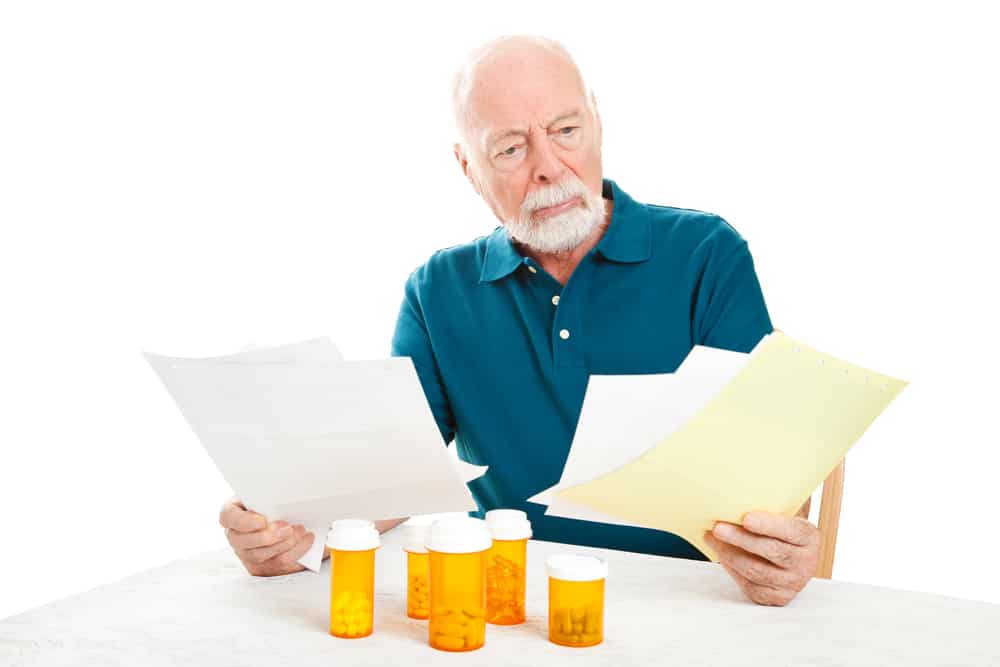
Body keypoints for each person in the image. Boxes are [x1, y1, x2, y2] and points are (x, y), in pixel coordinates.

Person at [219, 35, 820, 606]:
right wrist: (296, 532)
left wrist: (784, 547)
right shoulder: (437, 289)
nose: (549, 166)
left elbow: (765, 471)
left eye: (565, 131)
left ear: (598, 125)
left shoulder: (705, 253)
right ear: (467, 167)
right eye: (510, 148)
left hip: (686, 601)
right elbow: (395, 475)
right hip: (507, 602)